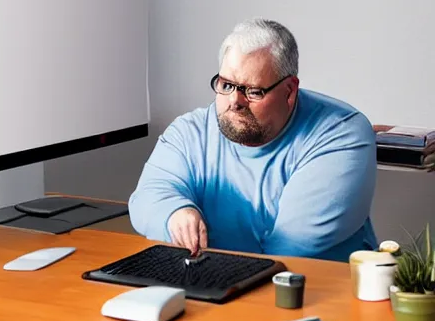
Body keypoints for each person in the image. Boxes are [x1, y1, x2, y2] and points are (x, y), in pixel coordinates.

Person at [128, 18, 378, 262]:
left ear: (289, 91)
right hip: (219, 286)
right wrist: (175, 212)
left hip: (317, 292)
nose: (235, 102)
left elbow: (292, 245)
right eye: (226, 85)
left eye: (253, 91)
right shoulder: (191, 132)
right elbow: (147, 199)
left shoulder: (341, 133)